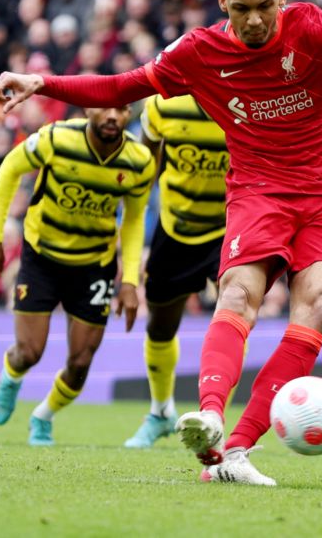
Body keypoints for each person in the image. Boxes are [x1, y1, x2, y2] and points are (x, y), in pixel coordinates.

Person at [0, 0, 322, 484]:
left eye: (265, 6)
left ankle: (238, 452)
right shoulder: (199, 51)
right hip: (256, 193)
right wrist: (42, 83)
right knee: (239, 296)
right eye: (241, 9)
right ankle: (211, 419)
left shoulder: (313, 26)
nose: (255, 20)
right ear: (223, 3)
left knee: (318, 303)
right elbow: (121, 87)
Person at [0, 106, 154, 446]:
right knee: (29, 352)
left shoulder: (139, 160)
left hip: (94, 264)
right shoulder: (56, 138)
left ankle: (43, 416)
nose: (112, 116)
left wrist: (130, 282)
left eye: (120, 110)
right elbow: (10, 168)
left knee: (81, 361)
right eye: (105, 108)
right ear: (89, 108)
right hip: (42, 257)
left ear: (129, 113)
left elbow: (134, 220)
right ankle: (11, 377)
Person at [123, 94, 228, 449]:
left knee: (236, 310)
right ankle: (160, 412)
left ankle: (216, 416)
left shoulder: (250, 97)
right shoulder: (161, 106)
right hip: (175, 227)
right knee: (160, 325)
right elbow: (145, 162)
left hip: (231, 225)